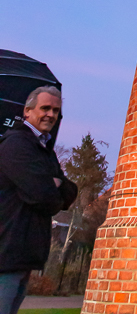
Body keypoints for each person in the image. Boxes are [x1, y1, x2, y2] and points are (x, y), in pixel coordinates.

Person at [0, 86, 78, 314]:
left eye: (56, 111)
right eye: (45, 108)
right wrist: (52, 187)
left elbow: (69, 192)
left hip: (22, 255)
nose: (51, 115)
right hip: (6, 252)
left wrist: (57, 184)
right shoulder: (16, 145)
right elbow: (44, 197)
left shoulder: (45, 151)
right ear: (27, 111)